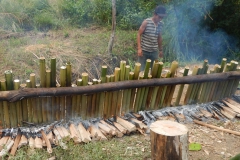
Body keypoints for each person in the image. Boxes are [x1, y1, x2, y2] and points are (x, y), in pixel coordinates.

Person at [137, 5, 166, 71]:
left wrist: (160, 50)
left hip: (154, 51)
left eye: (162, 17)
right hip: (144, 51)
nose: (160, 19)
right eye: (159, 17)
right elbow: (138, 34)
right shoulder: (146, 22)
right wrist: (139, 48)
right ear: (154, 14)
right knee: (141, 70)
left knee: (154, 70)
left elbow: (159, 37)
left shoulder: (161, 24)